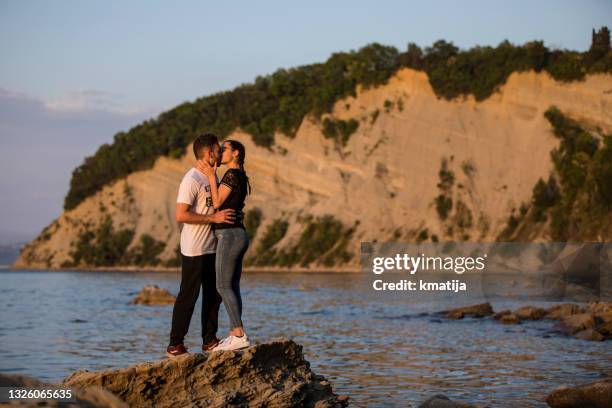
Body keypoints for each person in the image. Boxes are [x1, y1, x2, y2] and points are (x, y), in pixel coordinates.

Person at [166, 133, 237, 358]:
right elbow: (181, 214)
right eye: (218, 150)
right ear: (209, 153)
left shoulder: (211, 176)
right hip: (194, 248)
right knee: (188, 296)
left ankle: (209, 341)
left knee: (213, 295)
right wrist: (213, 219)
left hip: (212, 246)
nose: (221, 153)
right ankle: (175, 344)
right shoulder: (192, 179)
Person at [197, 139, 252, 351]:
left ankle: (238, 333)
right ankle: (235, 332)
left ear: (236, 153)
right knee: (232, 286)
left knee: (222, 285)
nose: (220, 152)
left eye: (225, 149)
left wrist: (211, 176)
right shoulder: (239, 175)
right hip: (237, 235)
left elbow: (218, 201)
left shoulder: (232, 174)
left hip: (229, 235)